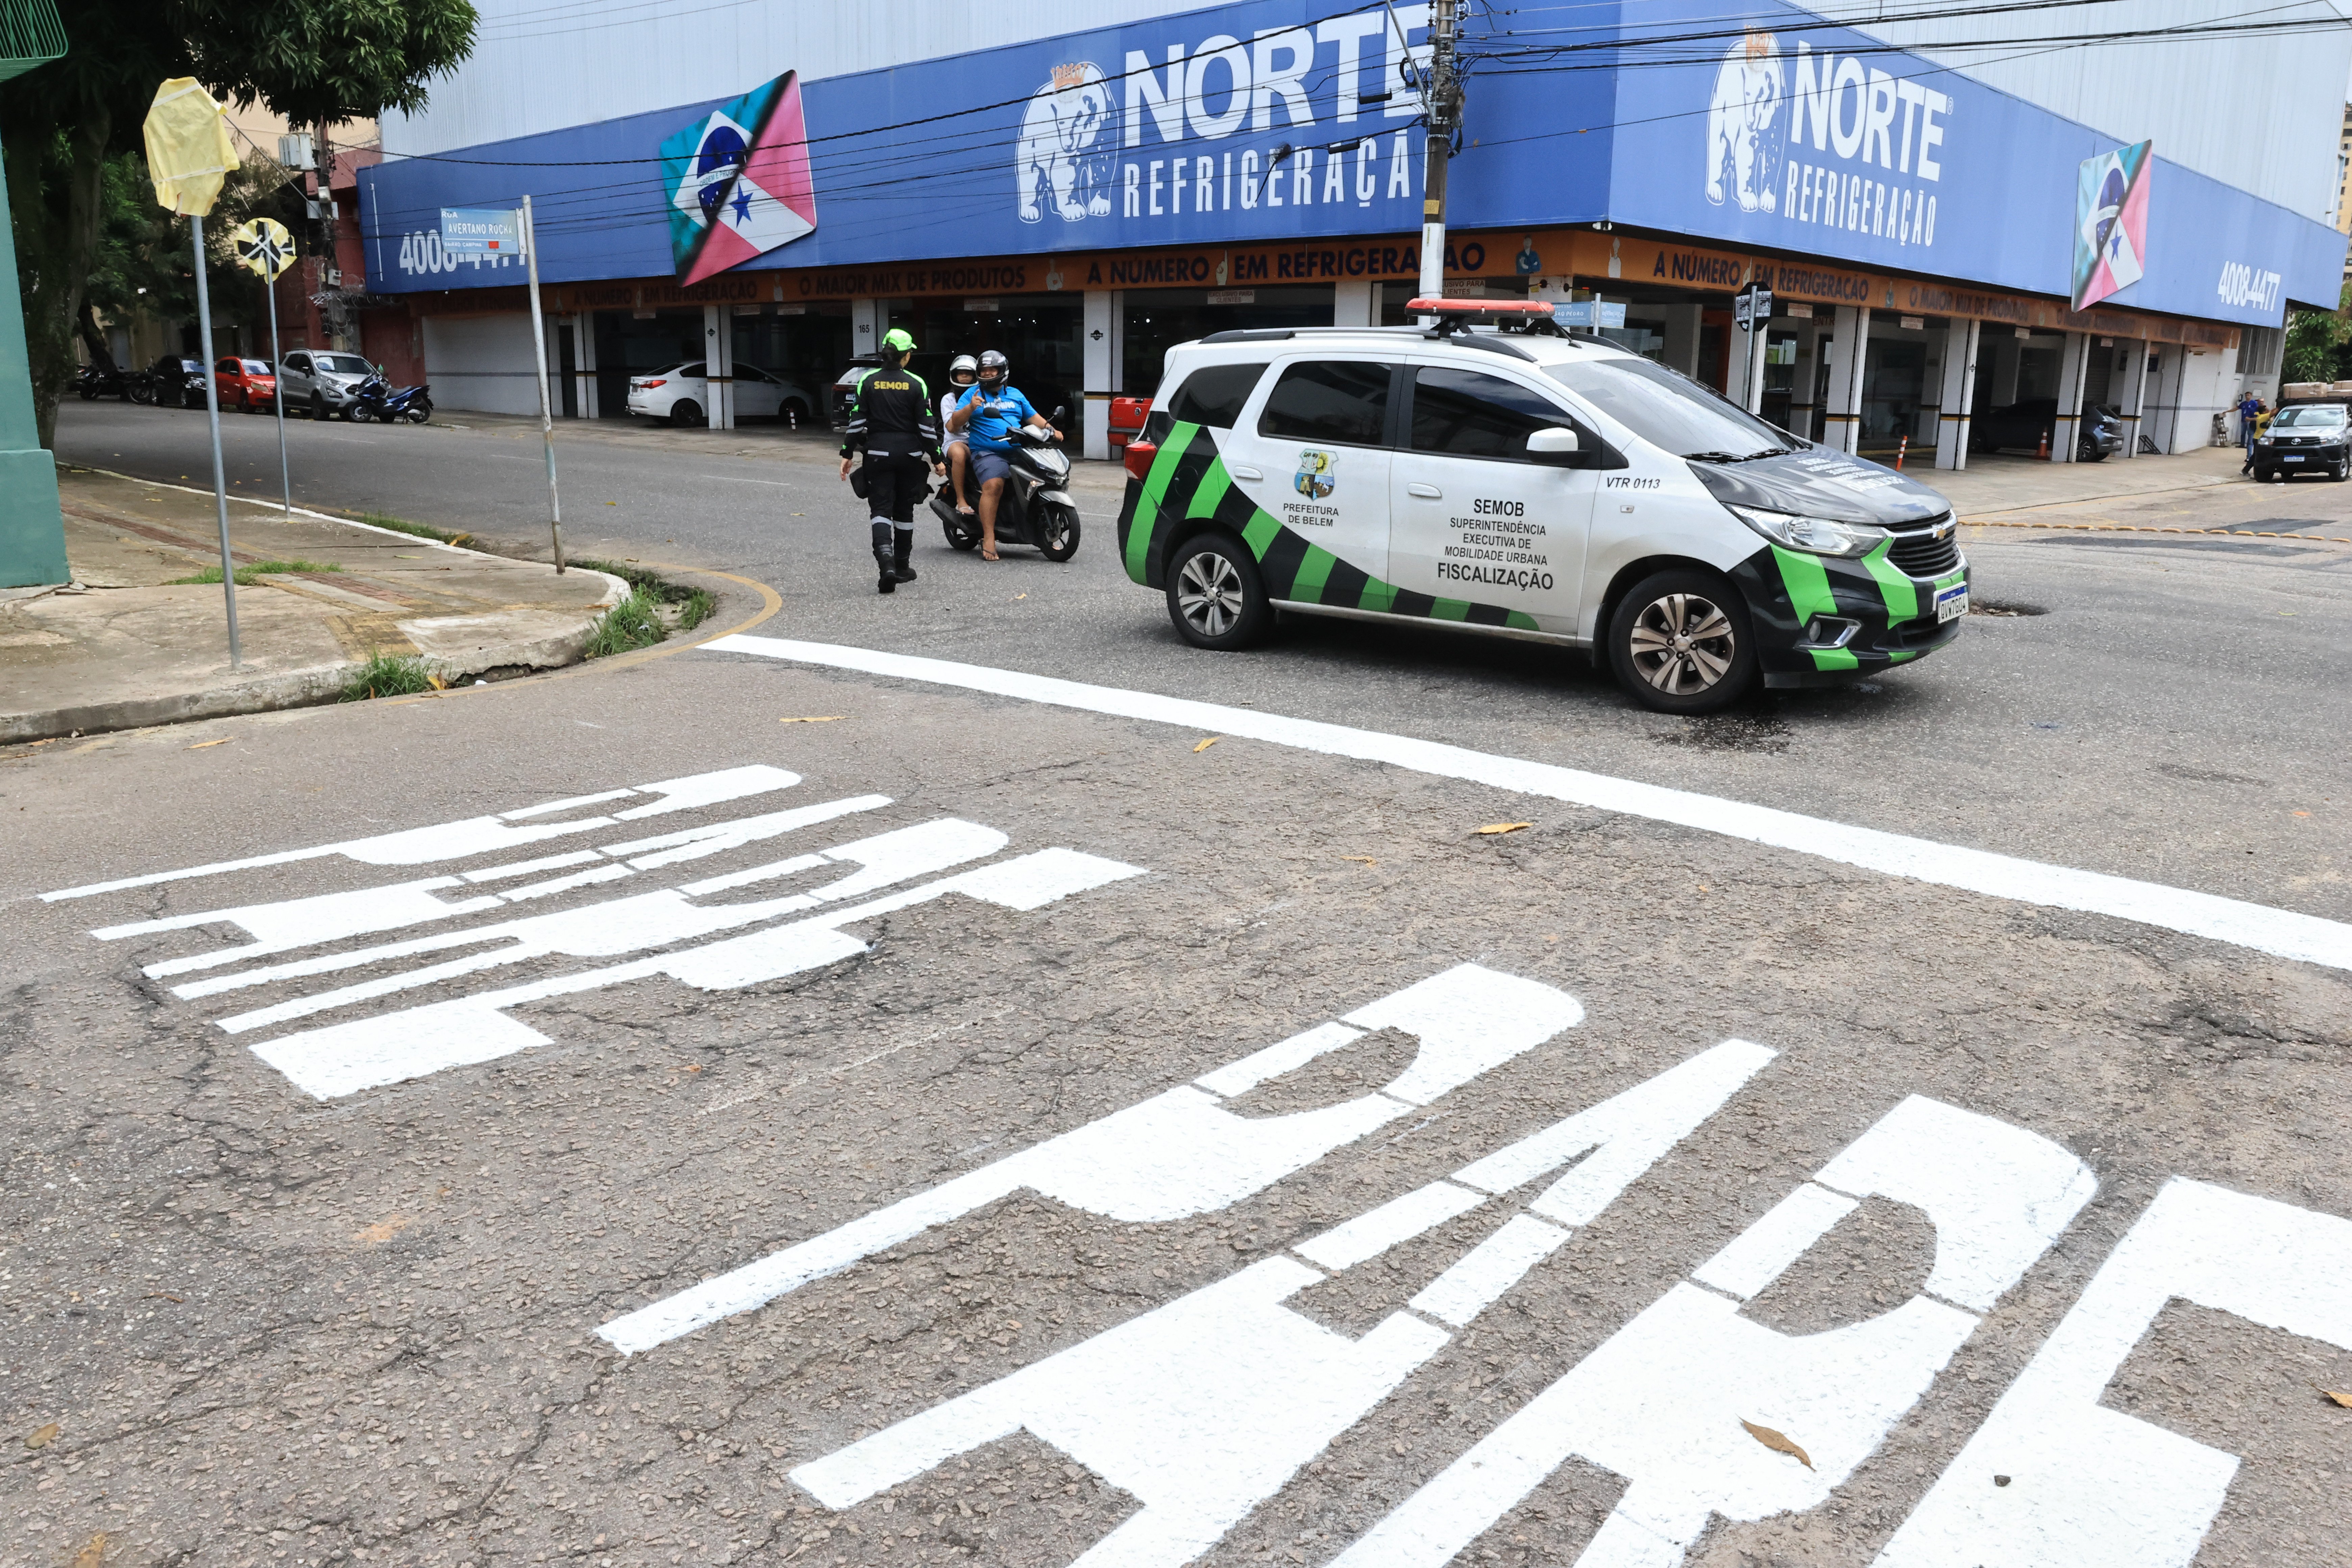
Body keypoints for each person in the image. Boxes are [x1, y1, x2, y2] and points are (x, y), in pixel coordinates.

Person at [838, 327, 940, 593]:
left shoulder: (868, 381)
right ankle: (903, 566)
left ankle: (887, 566)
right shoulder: (917, 383)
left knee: (881, 510)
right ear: (906, 356)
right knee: (905, 510)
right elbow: (927, 427)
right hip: (910, 455)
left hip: (878, 454)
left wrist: (847, 454)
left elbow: (857, 422)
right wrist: (938, 458)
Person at [947, 349, 1058, 561]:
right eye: (984, 370)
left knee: (1043, 479)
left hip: (1018, 450)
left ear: (1003, 371)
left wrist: (1053, 430)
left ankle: (1036, 526)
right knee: (994, 486)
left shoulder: (1016, 394)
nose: (988, 374)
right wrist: (970, 408)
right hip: (988, 452)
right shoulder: (972, 394)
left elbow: (1033, 417)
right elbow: (953, 426)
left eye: (993, 370)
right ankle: (989, 538)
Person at [939, 354, 979, 516]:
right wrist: (969, 408)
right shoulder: (948, 400)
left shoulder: (982, 396)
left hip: (978, 442)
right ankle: (960, 499)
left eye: (968, 373)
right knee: (959, 453)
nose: (964, 376)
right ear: (954, 375)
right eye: (960, 373)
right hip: (955, 442)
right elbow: (952, 428)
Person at [2239, 389, 2266, 473]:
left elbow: (2271, 417)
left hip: (2261, 432)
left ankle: (2248, 468)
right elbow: (2247, 418)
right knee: (2251, 443)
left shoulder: (2266, 410)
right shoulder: (2253, 410)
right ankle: (2249, 457)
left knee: (2260, 449)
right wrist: (2257, 419)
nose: (2261, 403)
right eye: (2260, 402)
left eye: (2262, 402)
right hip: (2253, 429)